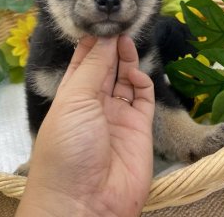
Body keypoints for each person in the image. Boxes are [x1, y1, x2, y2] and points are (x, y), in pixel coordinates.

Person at [16, 34, 155, 217]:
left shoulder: (142, 47)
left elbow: (159, 98)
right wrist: (39, 162)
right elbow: (38, 105)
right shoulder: (46, 57)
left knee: (145, 90)